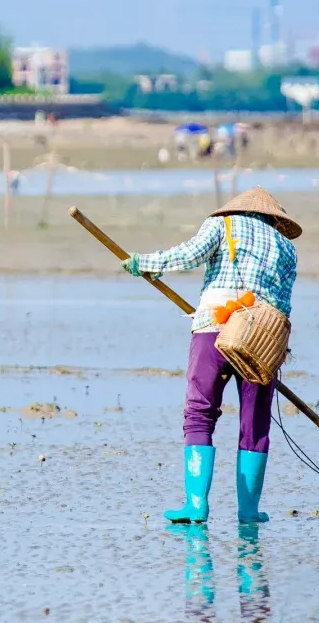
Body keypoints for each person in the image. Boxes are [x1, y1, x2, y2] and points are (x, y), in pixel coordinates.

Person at [122, 187, 301, 524]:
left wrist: (143, 263)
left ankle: (196, 506)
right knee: (256, 422)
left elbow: (190, 255)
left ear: (236, 209)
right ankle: (249, 512)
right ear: (274, 219)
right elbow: (283, 303)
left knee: (200, 413)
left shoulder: (224, 224)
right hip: (262, 340)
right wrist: (278, 351)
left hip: (215, 329)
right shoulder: (287, 248)